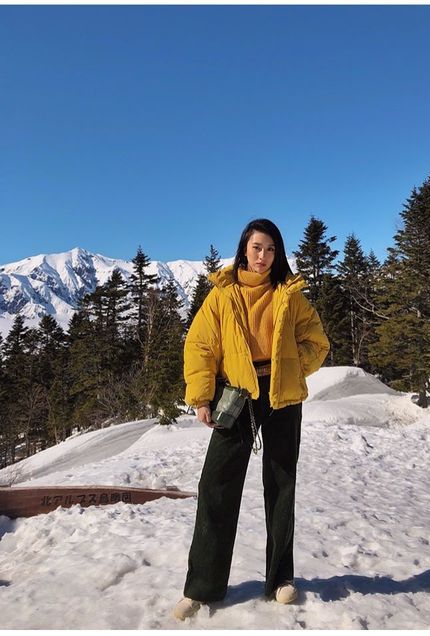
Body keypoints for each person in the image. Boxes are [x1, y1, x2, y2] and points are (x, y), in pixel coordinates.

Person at [173, 218, 330, 620]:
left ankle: (280, 579)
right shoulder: (223, 295)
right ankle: (202, 586)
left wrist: (291, 368)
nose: (263, 256)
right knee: (216, 485)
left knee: (281, 485)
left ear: (278, 254)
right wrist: (201, 396)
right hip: (237, 395)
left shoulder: (289, 294)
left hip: (281, 396)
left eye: (271, 249)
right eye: (257, 247)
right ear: (244, 248)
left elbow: (317, 342)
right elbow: (201, 345)